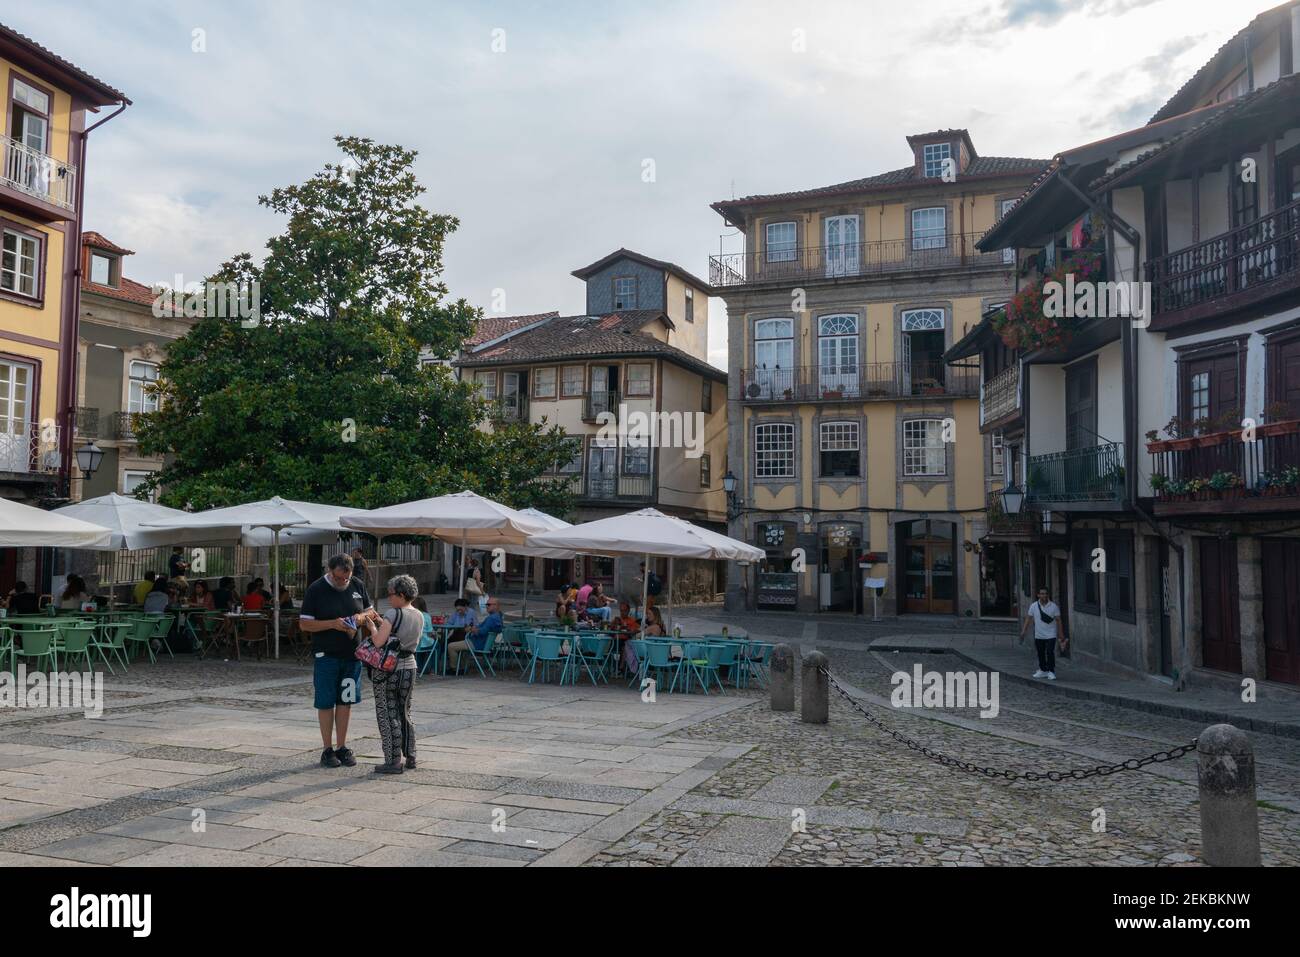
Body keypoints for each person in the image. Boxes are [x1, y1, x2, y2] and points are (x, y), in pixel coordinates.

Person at [298, 554, 377, 769]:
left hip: (352, 655)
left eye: (347, 578)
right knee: (325, 701)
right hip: (326, 654)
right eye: (339, 577)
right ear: (330, 571)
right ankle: (327, 749)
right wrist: (333, 624)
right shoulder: (316, 589)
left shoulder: (357, 584)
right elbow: (305, 624)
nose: (343, 581)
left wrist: (359, 619)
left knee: (346, 701)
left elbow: (369, 610)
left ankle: (342, 746)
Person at [369, 574, 424, 774]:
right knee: (405, 712)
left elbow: (378, 642)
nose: (389, 598)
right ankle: (411, 755)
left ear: (401, 595)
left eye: (390, 594)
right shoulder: (418, 614)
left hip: (389, 669)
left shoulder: (393, 614)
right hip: (410, 667)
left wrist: (372, 626)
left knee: (387, 713)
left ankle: (392, 760)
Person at [448, 596, 503, 672]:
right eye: (486, 604)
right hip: (483, 643)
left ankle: (454, 668)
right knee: (458, 642)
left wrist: (471, 629)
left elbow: (481, 632)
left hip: (477, 643)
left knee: (451, 646)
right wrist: (474, 628)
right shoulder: (498, 618)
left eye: (488, 604)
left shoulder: (491, 618)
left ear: (496, 605)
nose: (486, 606)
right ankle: (461, 667)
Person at [1021, 586, 1064, 680]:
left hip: (1051, 634)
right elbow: (1028, 619)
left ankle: (1051, 671)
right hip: (1039, 634)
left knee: (1049, 652)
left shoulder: (1053, 606)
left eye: (1045, 593)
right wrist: (1023, 631)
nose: (1044, 595)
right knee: (1040, 653)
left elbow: (1058, 620)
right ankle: (1043, 670)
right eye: (1042, 593)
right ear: (1038, 595)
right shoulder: (1033, 606)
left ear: (1048, 595)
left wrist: (1061, 634)